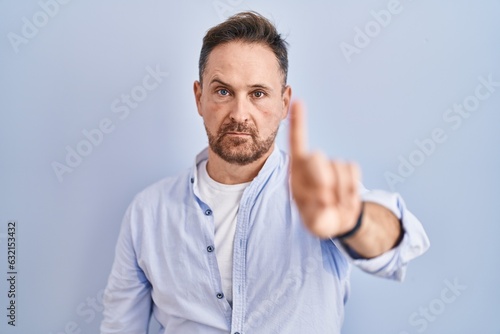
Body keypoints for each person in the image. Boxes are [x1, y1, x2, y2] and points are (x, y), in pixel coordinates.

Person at [100, 11, 429, 334]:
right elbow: (119, 326)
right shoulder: (147, 212)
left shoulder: (320, 195)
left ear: (284, 103)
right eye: (223, 92)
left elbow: (397, 245)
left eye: (258, 94)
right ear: (199, 97)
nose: (239, 114)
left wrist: (353, 222)